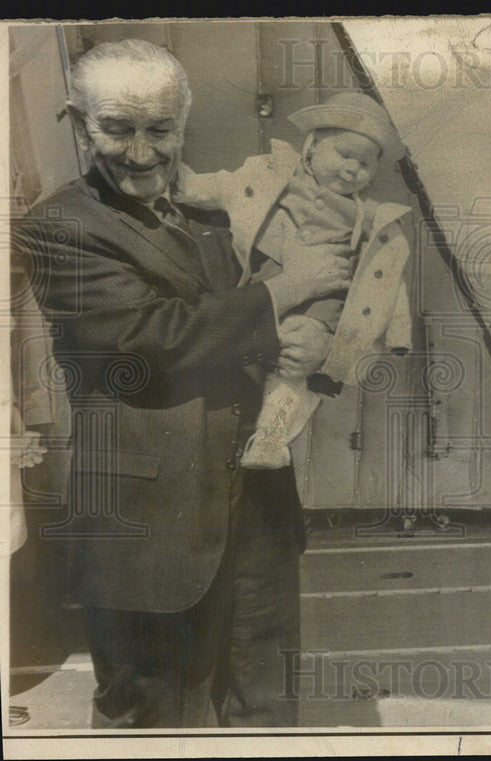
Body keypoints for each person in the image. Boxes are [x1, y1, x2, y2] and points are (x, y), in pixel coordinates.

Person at [18, 39, 349, 727]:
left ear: (184, 123)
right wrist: (285, 292)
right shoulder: (57, 227)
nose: (141, 153)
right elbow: (146, 342)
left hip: (255, 501)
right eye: (117, 128)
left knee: (266, 705)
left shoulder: (209, 209)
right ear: (80, 124)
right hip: (147, 523)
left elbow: (245, 326)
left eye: (161, 129)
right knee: (150, 715)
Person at [178, 91, 409, 468]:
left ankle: (271, 435)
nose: (353, 169)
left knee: (298, 355)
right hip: (267, 282)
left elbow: (388, 277)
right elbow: (225, 186)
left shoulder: (368, 216)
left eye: (365, 164)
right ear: (312, 146)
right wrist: (187, 188)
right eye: (345, 155)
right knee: (270, 346)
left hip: (323, 303)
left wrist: (400, 335)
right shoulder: (272, 177)